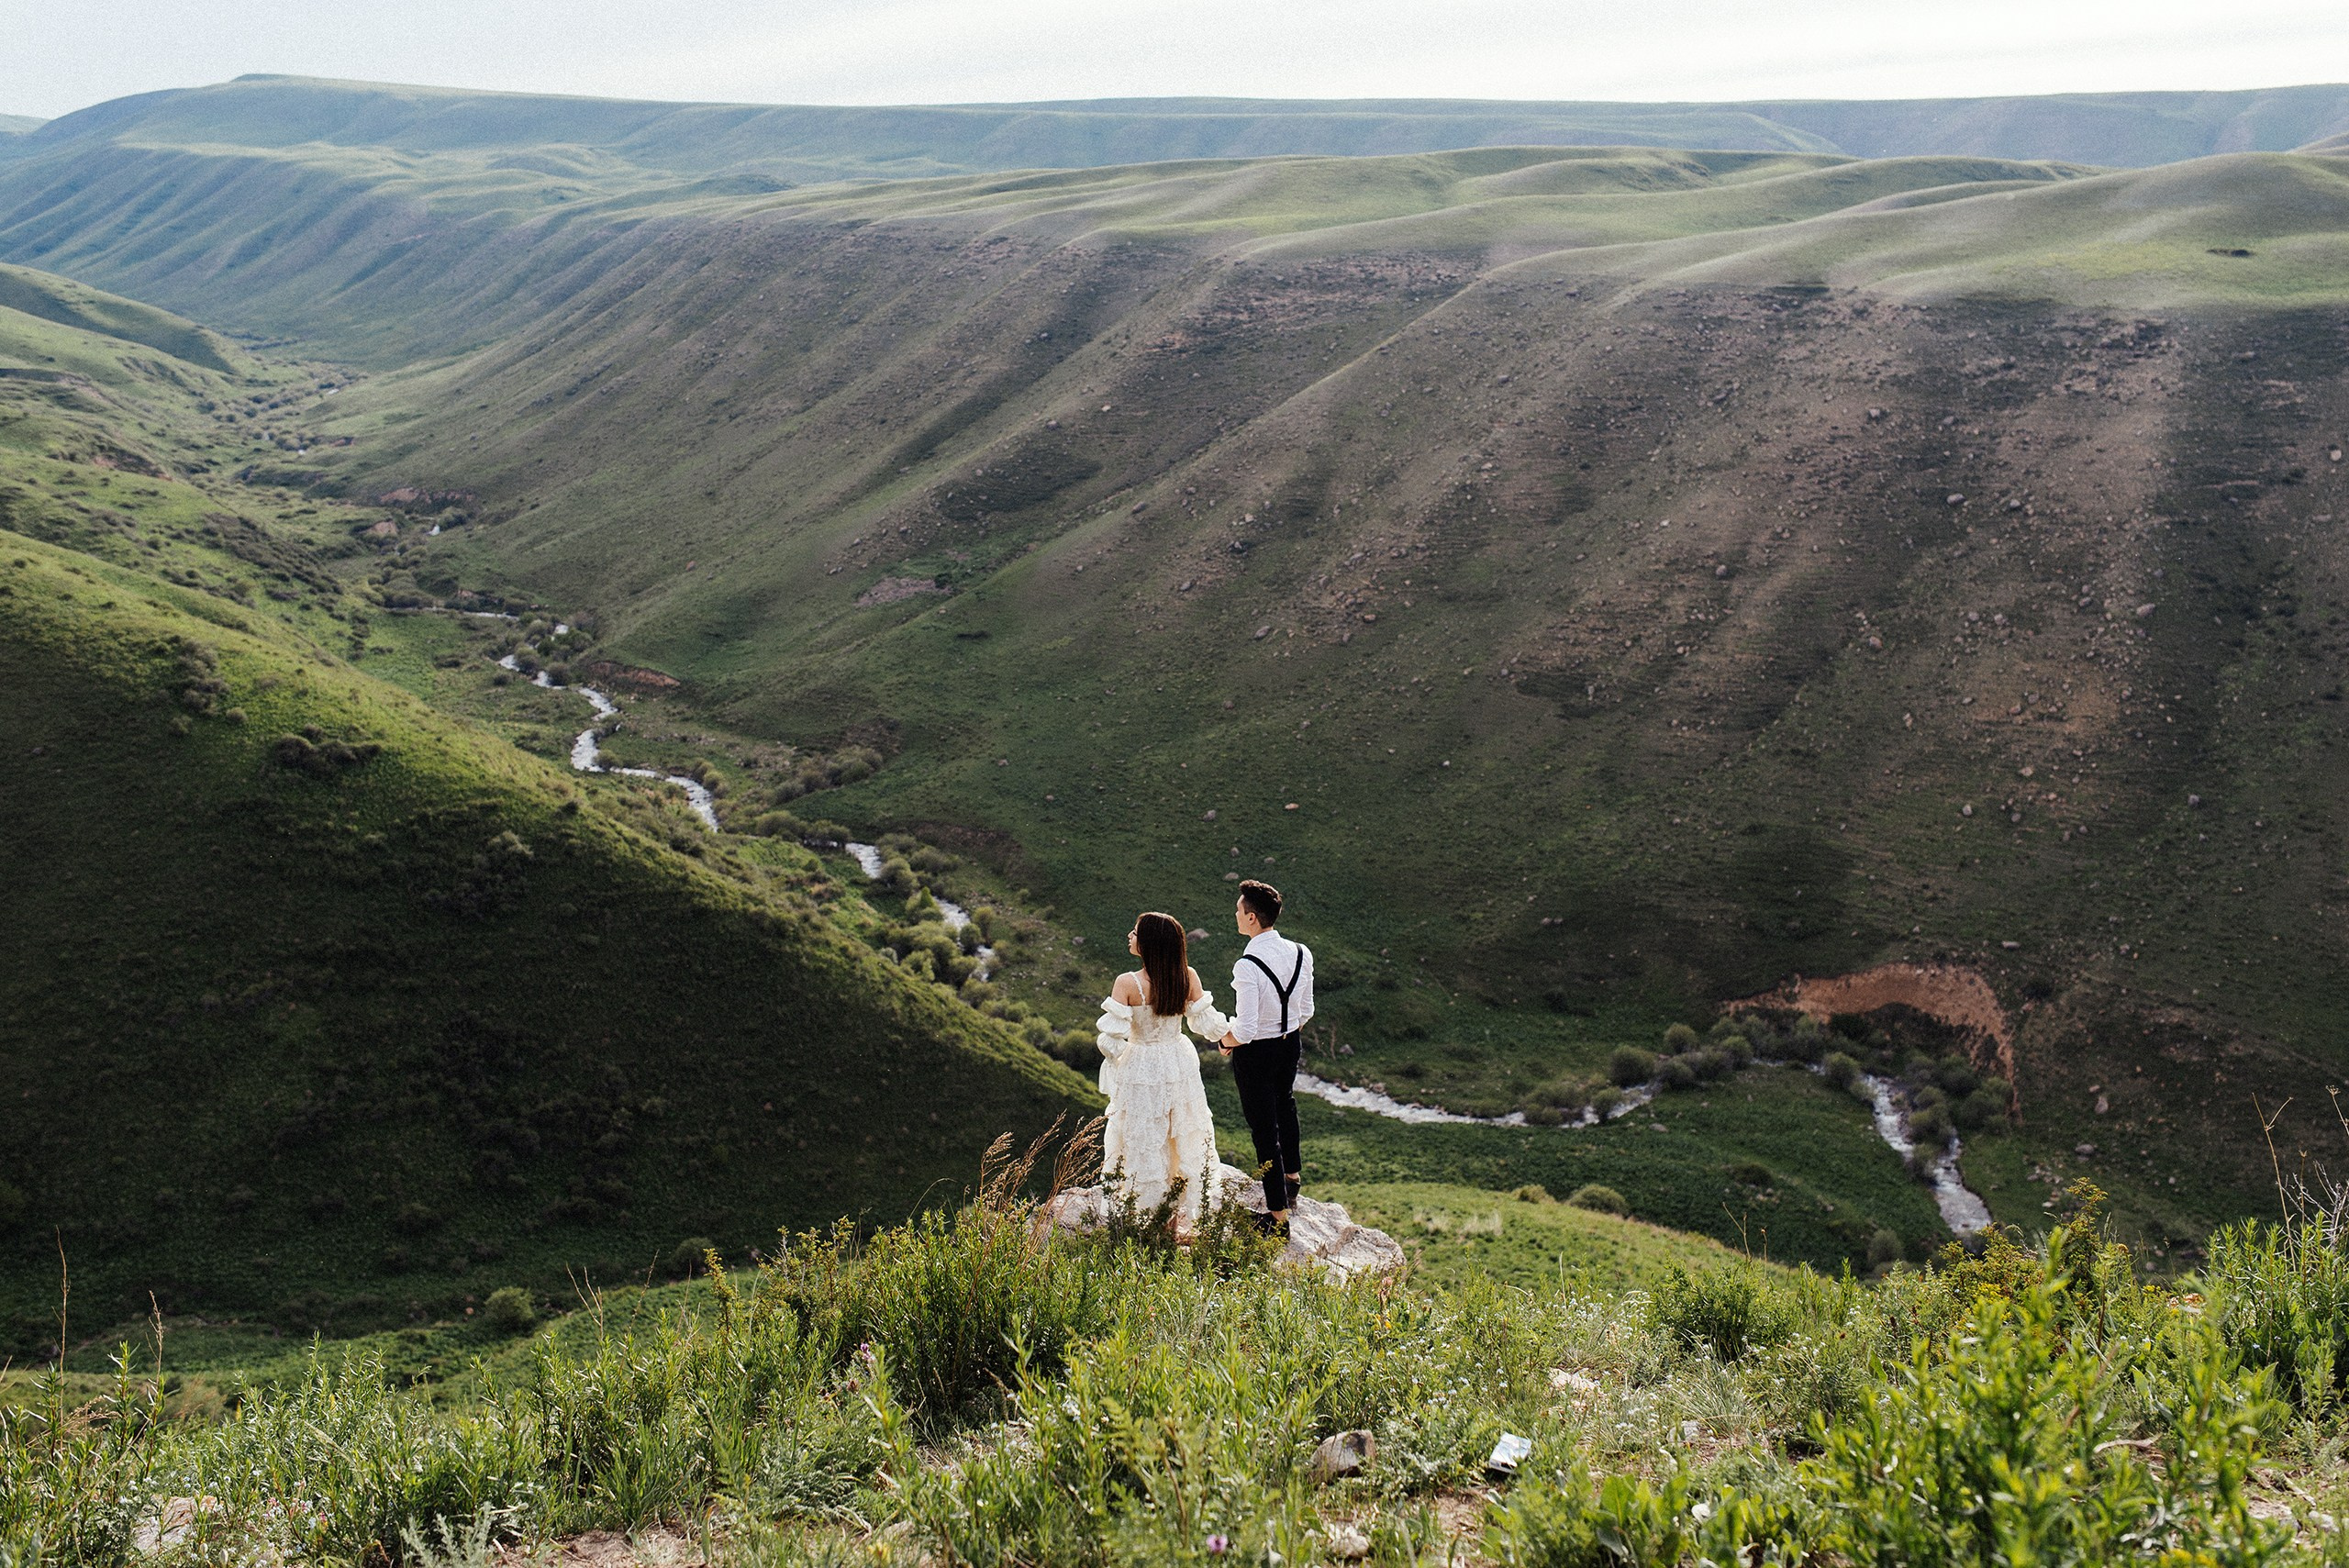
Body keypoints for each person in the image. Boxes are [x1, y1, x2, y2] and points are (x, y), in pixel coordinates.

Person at [1095, 911, 1232, 1228]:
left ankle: (1149, 1218)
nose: (1130, 936)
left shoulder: (1127, 983)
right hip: (1178, 1059)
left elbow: (1112, 1039)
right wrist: (1232, 1035)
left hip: (1141, 1062)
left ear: (1147, 944)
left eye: (1135, 932)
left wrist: (1115, 1065)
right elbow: (1204, 1021)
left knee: (1143, 1136)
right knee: (1181, 1132)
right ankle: (1174, 1217)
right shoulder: (1187, 976)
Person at [1219, 879, 1312, 1232]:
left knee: (1263, 1130)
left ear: (1253, 918)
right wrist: (1284, 1031)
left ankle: (1277, 1218)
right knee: (1285, 1105)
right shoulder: (1302, 952)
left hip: (1256, 1053)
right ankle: (1292, 1180)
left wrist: (1225, 1041)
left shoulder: (1247, 965)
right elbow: (1306, 1010)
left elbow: (1245, 1029)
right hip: (1290, 1043)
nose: (1236, 915)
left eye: (1240, 910)